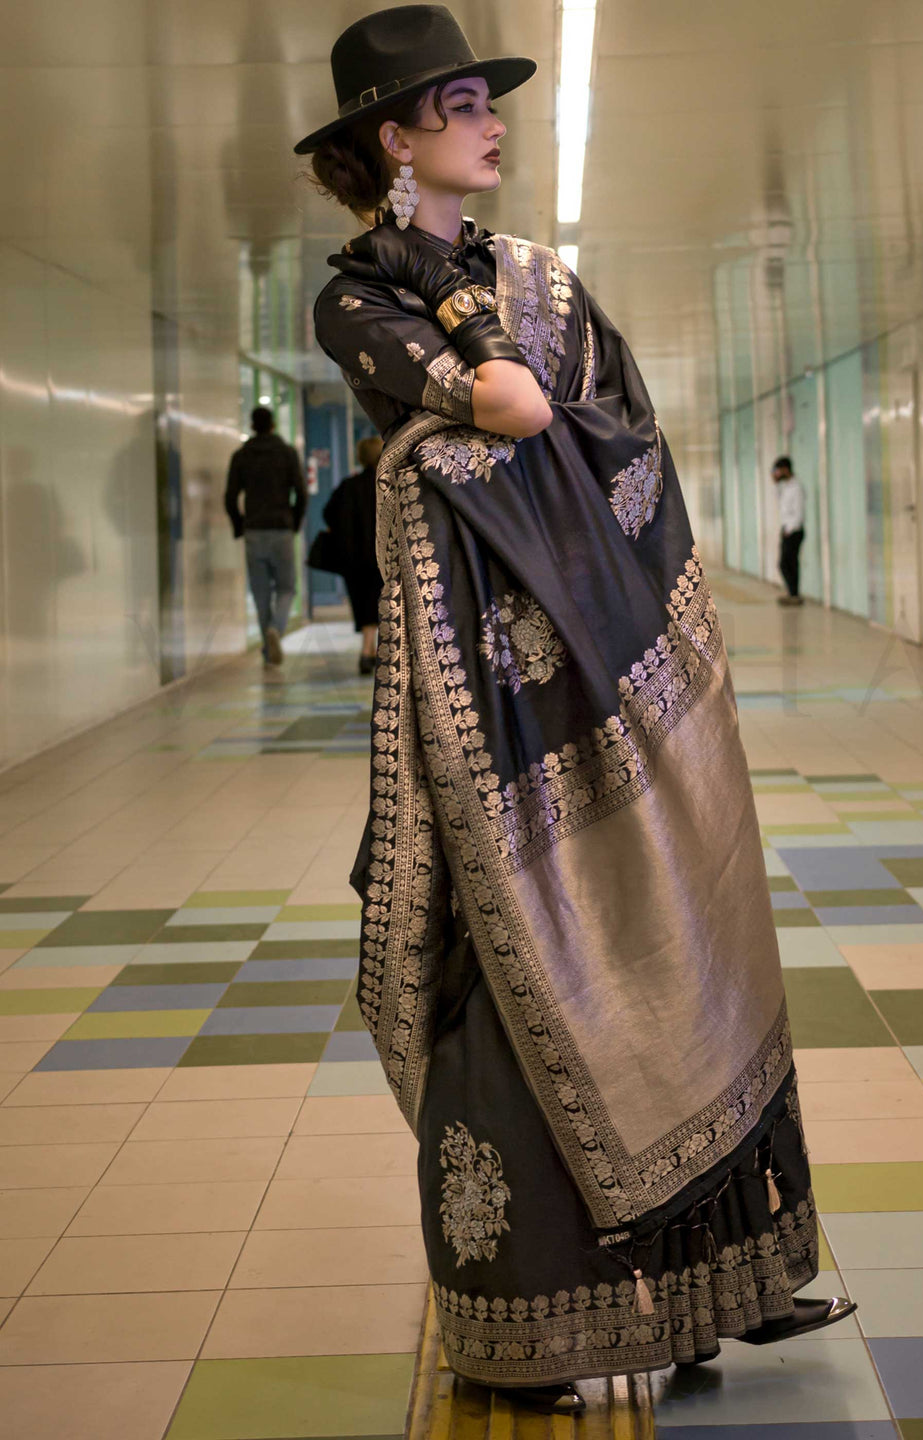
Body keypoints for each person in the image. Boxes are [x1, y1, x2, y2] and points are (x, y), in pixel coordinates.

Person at [296, 5, 853, 1414]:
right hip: (490, 717)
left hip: (618, 662)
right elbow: (508, 409)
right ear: (394, 138)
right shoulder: (355, 297)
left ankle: (717, 1286)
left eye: (492, 100)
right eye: (467, 103)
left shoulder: (542, 279)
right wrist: (475, 389)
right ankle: (535, 1323)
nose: (496, 124)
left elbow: (616, 433)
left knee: (678, 939)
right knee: (511, 980)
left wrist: (477, 410)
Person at [225, 406, 307, 664]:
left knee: (261, 594)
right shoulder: (287, 453)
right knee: (286, 589)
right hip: (281, 529)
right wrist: (293, 522)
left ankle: (266, 647)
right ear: (272, 425)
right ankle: (276, 631)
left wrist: (240, 525)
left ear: (252, 426)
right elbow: (301, 493)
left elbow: (230, 496)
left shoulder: (242, 455)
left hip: (254, 530)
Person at [321, 435, 383, 673]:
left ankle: (367, 650)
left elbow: (328, 513)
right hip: (382, 558)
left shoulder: (349, 486)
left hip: (354, 560)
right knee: (379, 604)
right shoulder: (389, 483)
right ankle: (370, 651)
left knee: (363, 605)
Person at [772, 455, 805, 606]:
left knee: (787, 563)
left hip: (794, 531)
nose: (776, 473)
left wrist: (790, 529)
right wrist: (775, 483)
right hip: (786, 529)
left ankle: (794, 594)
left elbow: (799, 512)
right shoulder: (785, 486)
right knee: (787, 564)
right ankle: (792, 593)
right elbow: (779, 503)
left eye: (778, 471)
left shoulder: (796, 487)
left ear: (785, 469)